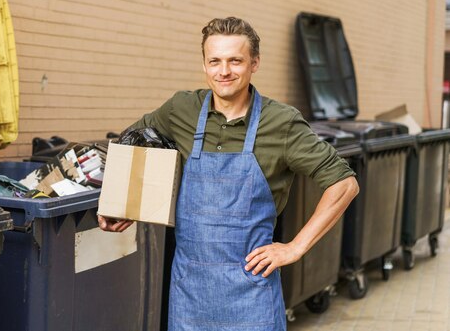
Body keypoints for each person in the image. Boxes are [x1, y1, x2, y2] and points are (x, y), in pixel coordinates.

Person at [97, 17, 359, 331]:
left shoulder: (282, 123)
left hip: (251, 297)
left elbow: (344, 183)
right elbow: (134, 144)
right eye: (215, 61)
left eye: (235, 61)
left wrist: (295, 247)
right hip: (188, 295)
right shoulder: (181, 110)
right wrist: (128, 205)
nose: (224, 71)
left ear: (255, 63)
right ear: (204, 64)